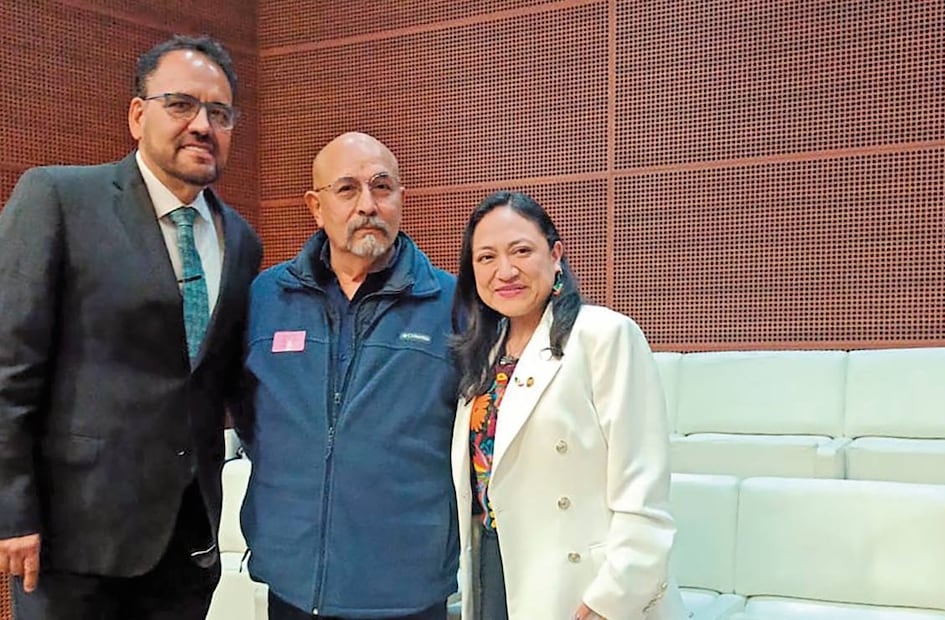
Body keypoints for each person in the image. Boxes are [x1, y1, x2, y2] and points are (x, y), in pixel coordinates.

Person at [0, 34, 262, 619]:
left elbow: (220, 382)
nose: (202, 125)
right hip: (73, 540)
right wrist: (10, 511)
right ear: (138, 115)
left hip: (186, 543)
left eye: (219, 114)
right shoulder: (60, 199)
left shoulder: (241, 240)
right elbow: (8, 370)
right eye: (182, 105)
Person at [238, 132, 459, 619]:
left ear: (401, 198)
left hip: (407, 586)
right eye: (347, 189)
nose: (367, 204)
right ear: (316, 207)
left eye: (382, 187)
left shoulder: (454, 304)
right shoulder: (266, 298)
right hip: (293, 579)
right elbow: (251, 416)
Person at [450, 191, 688, 619]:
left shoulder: (605, 336)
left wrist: (612, 597)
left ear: (555, 254)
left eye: (521, 250)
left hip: (582, 585)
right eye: (485, 258)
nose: (505, 270)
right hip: (494, 565)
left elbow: (643, 489)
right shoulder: (483, 354)